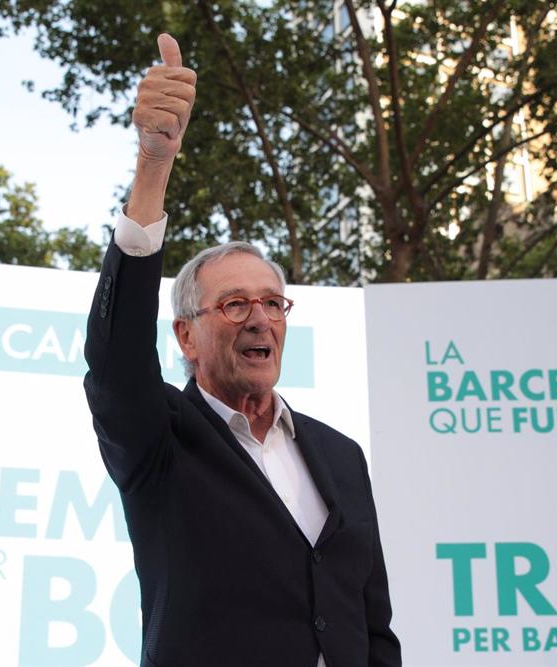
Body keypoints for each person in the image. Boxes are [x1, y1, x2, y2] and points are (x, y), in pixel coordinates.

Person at [83, 33, 402, 667]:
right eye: (234, 305)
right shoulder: (162, 440)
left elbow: (372, 630)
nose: (259, 319)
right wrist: (154, 166)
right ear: (185, 335)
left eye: (272, 303)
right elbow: (117, 365)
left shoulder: (341, 456)